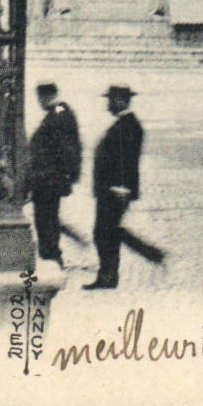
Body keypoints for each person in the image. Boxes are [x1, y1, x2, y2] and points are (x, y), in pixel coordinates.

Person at [86, 85, 145, 290]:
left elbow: (127, 160)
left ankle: (108, 276)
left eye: (110, 100)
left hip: (115, 190)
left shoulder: (129, 126)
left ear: (120, 100)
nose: (108, 105)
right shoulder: (124, 124)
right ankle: (107, 275)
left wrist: (122, 186)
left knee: (105, 232)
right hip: (110, 189)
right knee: (105, 232)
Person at [28, 82, 82, 268]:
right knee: (48, 219)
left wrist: (66, 175)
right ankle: (51, 255)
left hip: (49, 179)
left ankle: (51, 257)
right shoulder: (58, 114)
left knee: (46, 219)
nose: (39, 102)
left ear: (45, 97)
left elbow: (67, 149)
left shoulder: (59, 115)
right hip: (49, 179)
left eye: (40, 98)